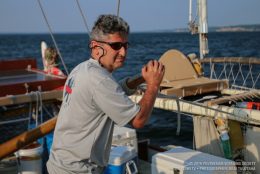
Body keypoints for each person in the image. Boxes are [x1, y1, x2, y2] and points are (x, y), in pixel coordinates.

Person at [47, 14, 165, 174]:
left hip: (60, 165)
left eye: (125, 45)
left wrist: (140, 79)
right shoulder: (99, 79)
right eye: (116, 45)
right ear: (96, 47)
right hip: (78, 170)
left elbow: (110, 93)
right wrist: (153, 85)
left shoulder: (81, 69)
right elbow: (138, 120)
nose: (123, 52)